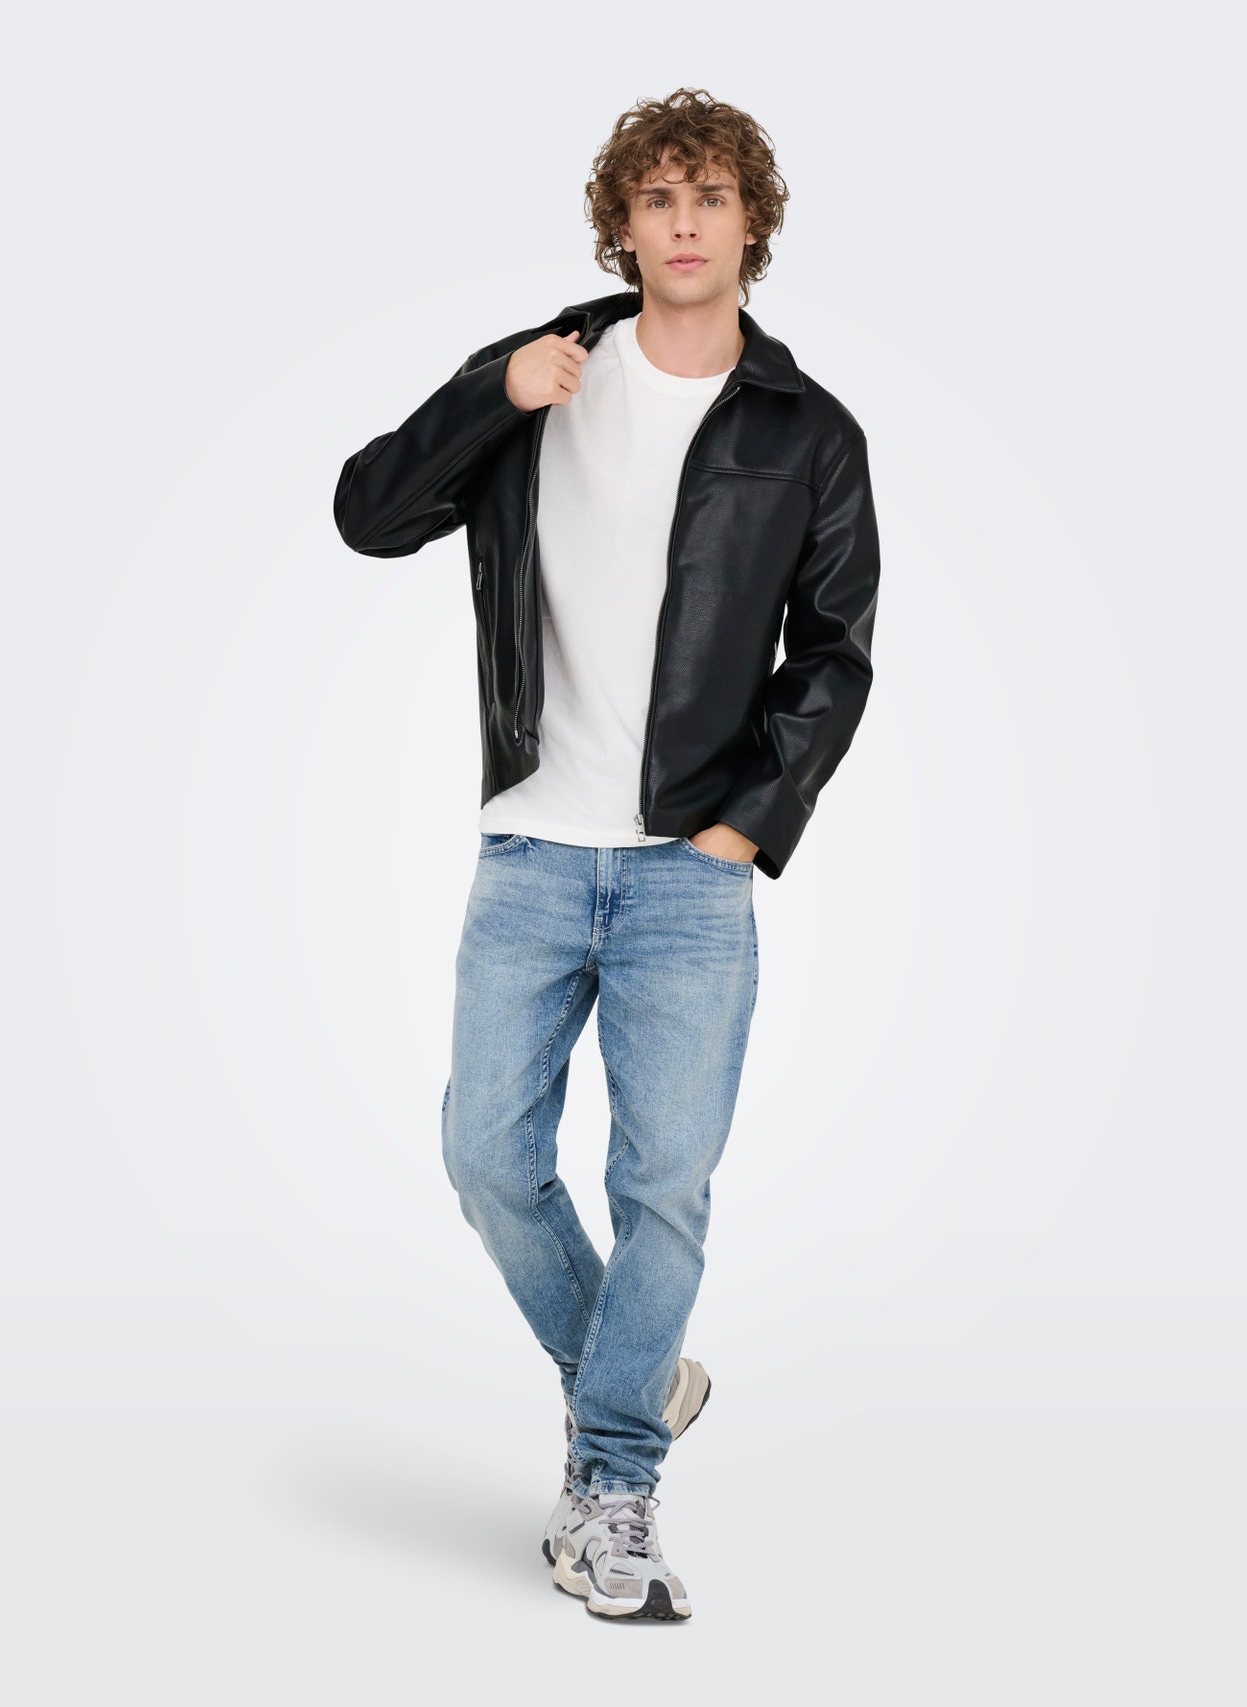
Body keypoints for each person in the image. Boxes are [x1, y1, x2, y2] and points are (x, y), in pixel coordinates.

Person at [333, 87, 881, 1621]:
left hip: (691, 872)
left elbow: (835, 653)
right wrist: (492, 400)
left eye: (712, 196)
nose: (685, 222)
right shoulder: (542, 373)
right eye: (658, 198)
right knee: (486, 1159)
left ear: (752, 224)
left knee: (664, 1187)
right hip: (529, 849)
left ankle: (613, 1489)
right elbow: (369, 513)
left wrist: (749, 818)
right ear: (622, 226)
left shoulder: (806, 430)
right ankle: (639, 1381)